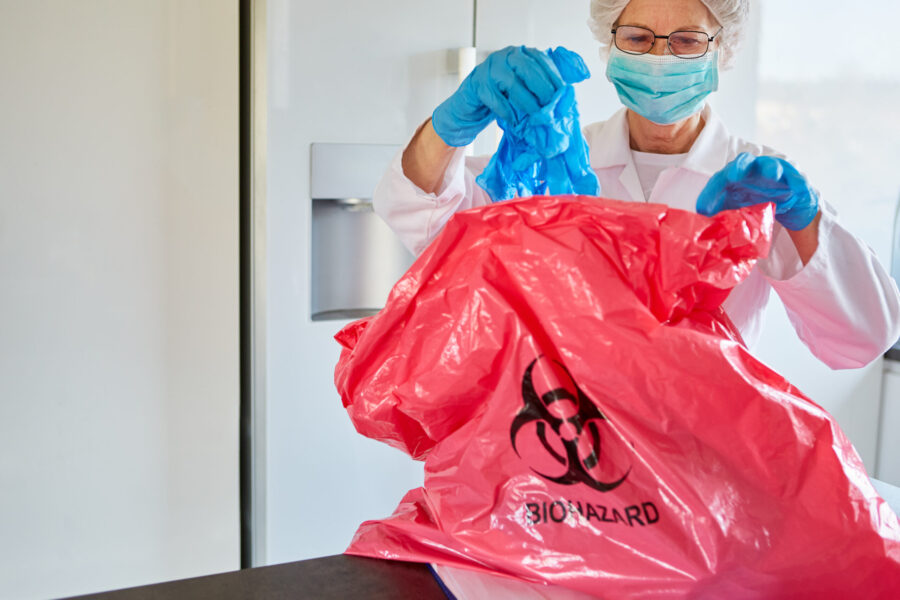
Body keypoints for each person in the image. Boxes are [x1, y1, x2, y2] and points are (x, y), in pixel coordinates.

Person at [373, 0, 900, 372]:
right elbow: (425, 221)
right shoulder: (553, 163)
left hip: (699, 464)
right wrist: (451, 124)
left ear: (722, 50)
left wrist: (804, 219)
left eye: (687, 40)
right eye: (638, 38)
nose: (660, 58)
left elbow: (861, 339)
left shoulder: (758, 181)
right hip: (562, 453)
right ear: (611, 45)